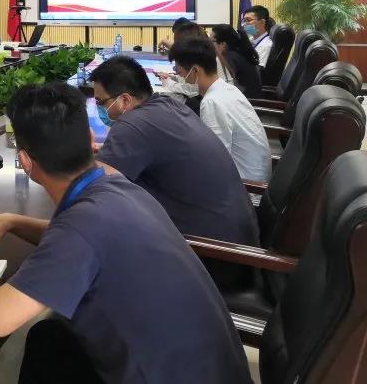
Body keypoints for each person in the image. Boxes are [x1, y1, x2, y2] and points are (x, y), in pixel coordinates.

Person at [0, 83, 251, 384]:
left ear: (25, 162)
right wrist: (11, 222)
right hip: (216, 370)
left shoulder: (83, 227)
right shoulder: (117, 187)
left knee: (50, 339)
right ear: (89, 140)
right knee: (50, 338)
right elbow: (84, 242)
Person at [91, 56, 259, 246]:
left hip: (213, 249)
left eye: (100, 101)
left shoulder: (131, 124)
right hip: (239, 231)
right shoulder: (169, 105)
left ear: (125, 100)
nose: (99, 108)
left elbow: (96, 189)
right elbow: (149, 146)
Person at [169, 38, 271, 182]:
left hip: (246, 186)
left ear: (195, 70)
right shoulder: (226, 88)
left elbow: (214, 163)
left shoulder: (212, 102)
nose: (182, 78)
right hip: (253, 174)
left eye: (180, 73)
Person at [210, 24, 262, 99]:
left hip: (245, 101)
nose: (209, 44)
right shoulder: (239, 53)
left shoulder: (229, 58)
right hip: (246, 98)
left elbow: (223, 86)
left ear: (223, 44)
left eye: (212, 41)